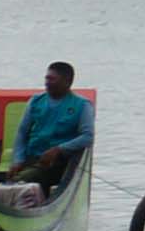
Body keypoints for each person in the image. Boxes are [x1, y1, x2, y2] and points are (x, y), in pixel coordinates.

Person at [8, 61, 92, 190]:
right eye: (46, 78)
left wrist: (59, 149)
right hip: (31, 158)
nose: (47, 83)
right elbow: (22, 132)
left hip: (56, 164)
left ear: (67, 81)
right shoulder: (35, 101)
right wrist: (18, 160)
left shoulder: (82, 105)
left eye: (52, 79)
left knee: (19, 181)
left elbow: (87, 136)